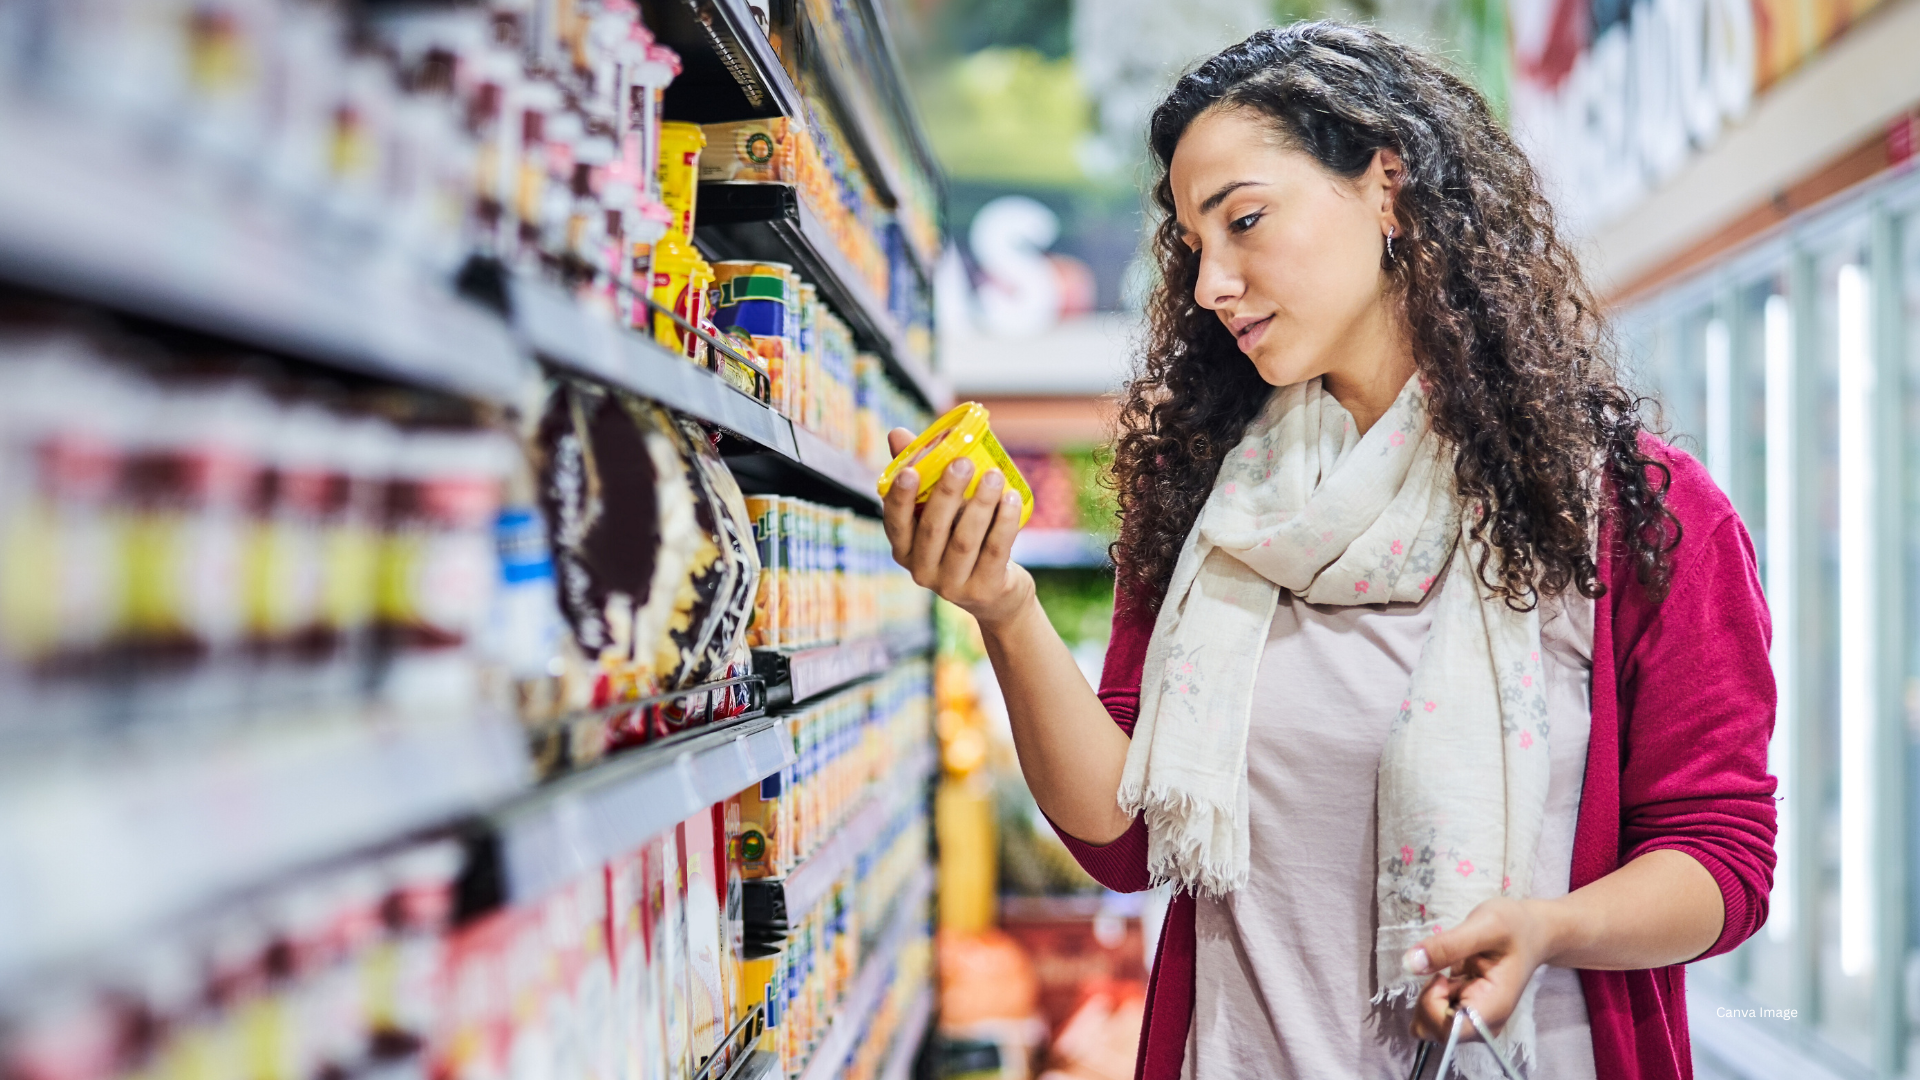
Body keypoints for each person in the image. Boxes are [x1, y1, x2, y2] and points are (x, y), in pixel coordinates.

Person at [881, 21, 1776, 1080]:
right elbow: (1123, 838)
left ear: (1386, 187)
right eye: (1193, 244)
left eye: (1244, 220)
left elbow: (1721, 858)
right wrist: (1003, 605)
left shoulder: (1631, 511)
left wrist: (1551, 928)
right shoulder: (1208, 504)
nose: (1212, 282)